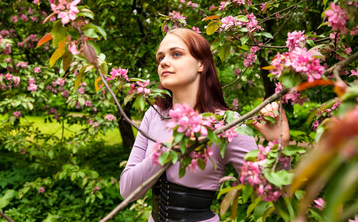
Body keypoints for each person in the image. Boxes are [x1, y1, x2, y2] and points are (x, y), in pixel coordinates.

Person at [120, 27, 289, 222]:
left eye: (176, 54)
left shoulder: (226, 123)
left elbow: (273, 197)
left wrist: (279, 146)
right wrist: (170, 147)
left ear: (201, 63)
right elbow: (127, 191)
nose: (164, 62)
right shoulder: (154, 115)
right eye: (160, 58)